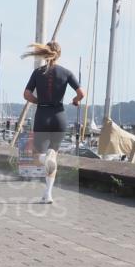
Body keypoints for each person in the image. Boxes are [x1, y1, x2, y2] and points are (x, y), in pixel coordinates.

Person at [22, 42, 85, 204]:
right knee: (53, 156)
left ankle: (45, 166)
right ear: (59, 54)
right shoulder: (66, 72)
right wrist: (75, 100)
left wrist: (38, 101)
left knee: (38, 157)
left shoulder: (38, 72)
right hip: (59, 116)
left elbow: (26, 94)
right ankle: (48, 194)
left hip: (42, 115)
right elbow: (81, 93)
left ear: (45, 53)